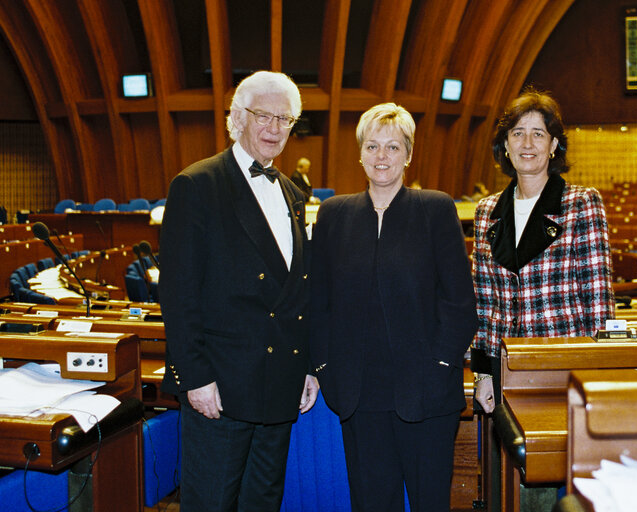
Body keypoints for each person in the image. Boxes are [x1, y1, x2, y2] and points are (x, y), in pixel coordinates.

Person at [159, 70, 319, 512]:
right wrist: (195, 379)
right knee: (211, 504)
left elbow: (296, 295)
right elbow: (177, 293)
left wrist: (306, 366)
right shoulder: (197, 185)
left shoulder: (291, 193)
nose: (274, 128)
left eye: (285, 120)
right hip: (221, 389)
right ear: (237, 118)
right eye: (263, 116)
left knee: (262, 503)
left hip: (279, 387)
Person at [309, 103, 478, 512]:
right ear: (360, 153)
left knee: (429, 503)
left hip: (427, 390)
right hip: (359, 392)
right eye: (372, 146)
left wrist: (441, 364)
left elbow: (459, 301)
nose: (381, 156)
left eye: (392, 147)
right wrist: (323, 367)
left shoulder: (435, 209)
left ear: (409, 155)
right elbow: (318, 302)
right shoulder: (334, 214)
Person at [471, 88, 615, 413]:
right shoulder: (486, 211)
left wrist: (597, 377)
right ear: (505, 145)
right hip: (501, 366)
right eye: (518, 133)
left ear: (553, 146)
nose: (527, 143)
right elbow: (481, 302)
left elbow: (599, 304)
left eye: (539, 134)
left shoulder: (581, 204)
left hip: (563, 365)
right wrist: (481, 373)